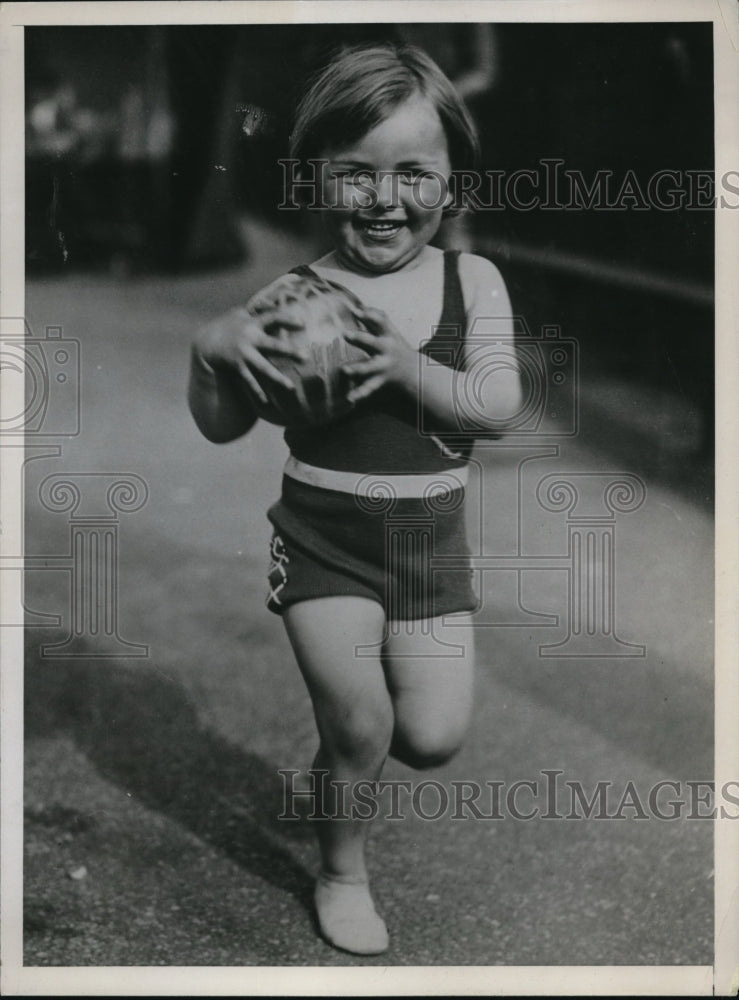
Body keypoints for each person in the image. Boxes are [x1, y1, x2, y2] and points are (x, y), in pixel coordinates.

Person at [187, 42, 522, 956]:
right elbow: (222, 427)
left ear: (452, 179)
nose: (384, 198)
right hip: (324, 541)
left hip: (429, 552)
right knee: (363, 720)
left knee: (431, 734)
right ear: (315, 182)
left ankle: (341, 761)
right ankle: (341, 871)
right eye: (355, 174)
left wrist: (408, 364)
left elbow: (496, 407)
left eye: (413, 171)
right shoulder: (297, 295)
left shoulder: (471, 283)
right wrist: (211, 351)